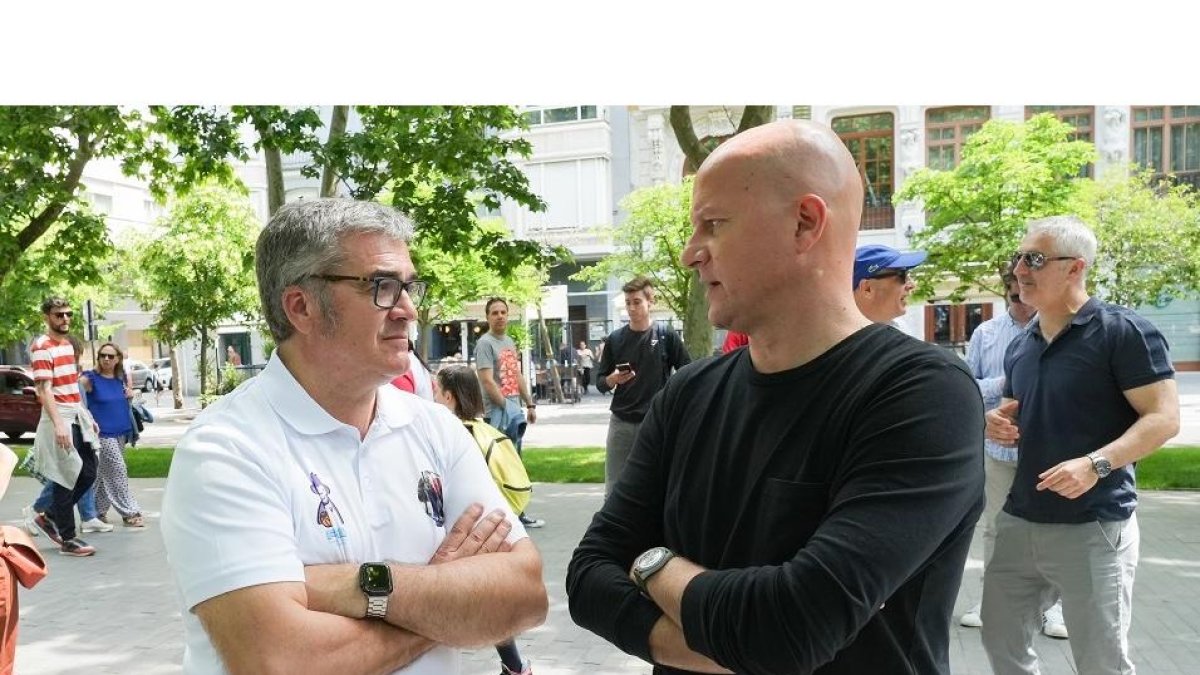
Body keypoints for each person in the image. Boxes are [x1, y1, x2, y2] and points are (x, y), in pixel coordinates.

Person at [566, 120, 984, 674]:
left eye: (713, 225)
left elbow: (791, 628)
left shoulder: (923, 395)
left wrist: (648, 567)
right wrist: (729, 640)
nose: (693, 253)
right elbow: (588, 576)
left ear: (805, 224)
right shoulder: (687, 395)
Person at [160, 198, 547, 674]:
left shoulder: (435, 428)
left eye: (409, 287)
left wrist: (363, 586)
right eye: (382, 287)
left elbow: (524, 597)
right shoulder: (225, 452)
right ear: (301, 306)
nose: (408, 310)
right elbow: (280, 663)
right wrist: (447, 598)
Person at [981, 216, 1179, 675]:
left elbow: (1164, 418)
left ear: (1075, 268)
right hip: (1019, 517)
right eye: (1018, 258)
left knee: (1100, 661)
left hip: (1094, 526)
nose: (1019, 270)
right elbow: (1015, 407)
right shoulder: (1021, 345)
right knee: (998, 638)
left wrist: (1096, 464)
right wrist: (999, 421)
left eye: (1035, 259)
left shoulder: (1123, 332)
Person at [958, 273, 1064, 637]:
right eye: (1014, 295)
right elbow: (967, 387)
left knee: (1053, 530)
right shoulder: (986, 333)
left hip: (1050, 452)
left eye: (1026, 295)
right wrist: (1007, 384)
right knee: (998, 529)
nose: (1021, 301)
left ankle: (1053, 608)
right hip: (998, 450)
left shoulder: (1059, 330)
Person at [434, 364, 535, 675]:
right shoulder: (486, 429)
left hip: (463, 531)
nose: (432, 397)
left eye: (437, 391)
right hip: (494, 526)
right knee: (489, 602)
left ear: (449, 396)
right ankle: (514, 665)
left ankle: (513, 665)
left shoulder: (451, 435)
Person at [593, 276, 691, 495]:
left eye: (636, 302)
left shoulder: (665, 335)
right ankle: (614, 529)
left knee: (658, 484)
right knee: (615, 487)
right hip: (622, 422)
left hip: (656, 422)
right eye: (628, 302)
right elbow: (600, 382)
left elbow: (686, 370)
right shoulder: (615, 339)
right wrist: (612, 379)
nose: (631, 308)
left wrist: (670, 396)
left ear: (650, 302)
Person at [27, 298, 102, 557]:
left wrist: (86, 414)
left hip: (76, 414)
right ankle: (68, 538)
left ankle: (47, 517)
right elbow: (44, 390)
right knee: (65, 477)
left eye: (68, 314)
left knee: (89, 472)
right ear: (47, 316)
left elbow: (70, 386)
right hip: (58, 417)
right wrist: (59, 424)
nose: (65, 319)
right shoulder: (41, 347)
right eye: (59, 315)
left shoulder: (69, 345)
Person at [475, 297, 544, 528]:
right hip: (495, 413)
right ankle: (498, 517)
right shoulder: (485, 343)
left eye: (503, 312)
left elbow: (516, 376)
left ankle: (517, 512)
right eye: (494, 312)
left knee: (514, 463)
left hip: (512, 411)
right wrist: (507, 407)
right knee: (497, 466)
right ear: (487, 317)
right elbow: (486, 380)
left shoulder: (509, 342)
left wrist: (529, 404)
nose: (500, 316)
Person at [78, 342, 146, 528]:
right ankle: (129, 512)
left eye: (110, 356)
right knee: (118, 469)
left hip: (121, 431)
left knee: (101, 474)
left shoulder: (120, 378)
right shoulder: (89, 378)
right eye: (102, 355)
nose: (106, 359)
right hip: (101, 434)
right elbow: (75, 398)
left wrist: (130, 395)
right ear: (98, 358)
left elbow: (124, 400)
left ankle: (98, 512)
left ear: (118, 359)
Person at [851, 244, 926, 325]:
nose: (912, 285)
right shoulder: (840, 336)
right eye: (902, 275)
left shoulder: (898, 328)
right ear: (867, 288)